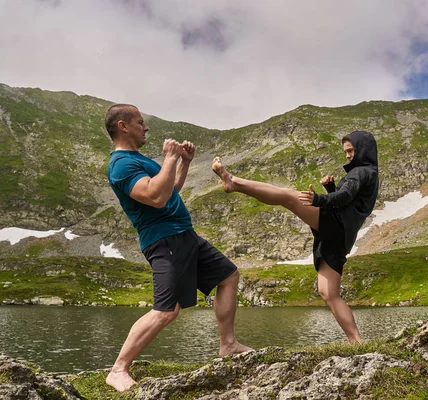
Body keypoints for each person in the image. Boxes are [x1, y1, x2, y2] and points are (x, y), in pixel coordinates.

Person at [104, 104, 251, 392]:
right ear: (123, 126)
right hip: (163, 240)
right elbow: (155, 197)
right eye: (140, 122)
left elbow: (170, 190)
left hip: (184, 235)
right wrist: (170, 157)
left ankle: (228, 344)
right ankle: (118, 369)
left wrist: (183, 162)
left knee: (228, 276)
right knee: (166, 310)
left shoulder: (138, 159)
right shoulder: (121, 165)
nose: (146, 127)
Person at [212, 131, 378, 343]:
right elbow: (350, 201)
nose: (347, 156)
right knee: (328, 292)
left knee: (288, 196)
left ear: (363, 149)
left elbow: (345, 196)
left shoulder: (361, 172)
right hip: (343, 236)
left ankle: (233, 182)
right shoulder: (370, 174)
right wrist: (330, 189)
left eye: (351, 151)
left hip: (336, 224)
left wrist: (319, 198)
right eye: (345, 151)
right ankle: (356, 341)